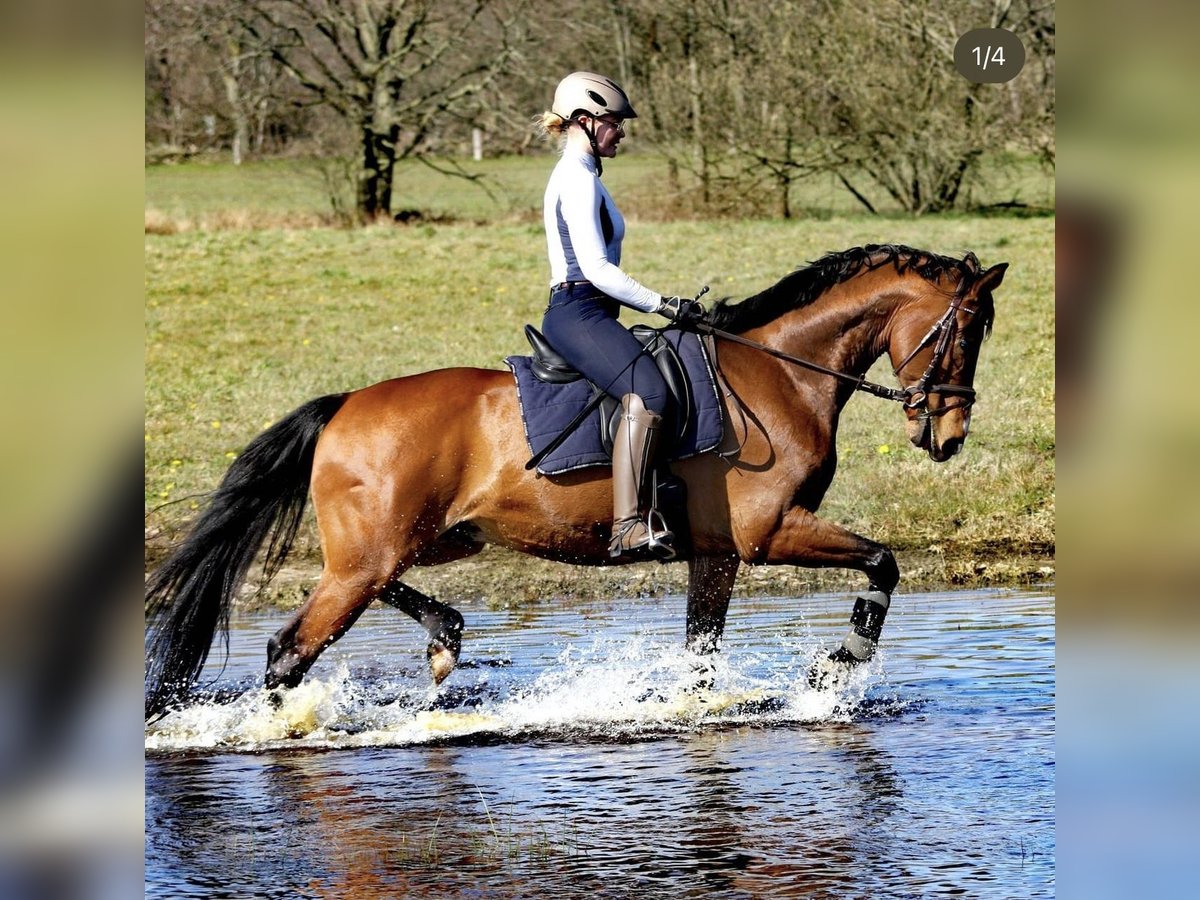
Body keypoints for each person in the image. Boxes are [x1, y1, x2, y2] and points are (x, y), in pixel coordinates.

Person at [538, 71, 704, 560]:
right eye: (614, 122)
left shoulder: (585, 175)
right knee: (648, 392)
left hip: (590, 310)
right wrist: (663, 303)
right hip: (578, 310)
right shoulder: (576, 179)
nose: (621, 132)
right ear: (585, 121)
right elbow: (596, 269)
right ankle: (627, 525)